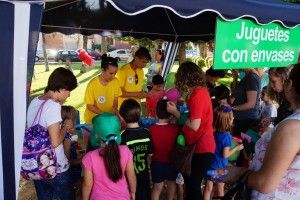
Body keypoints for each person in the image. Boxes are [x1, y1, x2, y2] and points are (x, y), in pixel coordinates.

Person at [246, 64, 300, 199]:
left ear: (289, 84)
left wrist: (236, 173)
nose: (271, 85)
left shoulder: (292, 128)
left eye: (274, 81)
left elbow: (265, 183)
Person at [166, 61, 216, 200]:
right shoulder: (198, 92)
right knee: (191, 186)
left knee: (193, 188)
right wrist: (179, 118)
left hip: (201, 148)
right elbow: (193, 118)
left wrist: (176, 113)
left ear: (185, 78)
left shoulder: (198, 94)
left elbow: (194, 125)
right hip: (197, 147)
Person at [26, 67, 77, 200]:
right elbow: (55, 142)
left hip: (38, 165)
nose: (69, 95)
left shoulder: (35, 101)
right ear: (61, 88)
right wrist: (65, 126)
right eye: (68, 91)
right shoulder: (54, 106)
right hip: (56, 167)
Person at [82, 113, 136, 200]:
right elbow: (131, 176)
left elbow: (87, 185)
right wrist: (133, 192)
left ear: (96, 135)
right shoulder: (126, 151)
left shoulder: (89, 157)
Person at [203, 105, 244, 200]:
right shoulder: (227, 137)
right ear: (228, 121)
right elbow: (225, 155)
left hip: (210, 164)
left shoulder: (213, 132)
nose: (233, 118)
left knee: (208, 188)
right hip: (219, 168)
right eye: (231, 117)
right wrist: (237, 148)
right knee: (220, 189)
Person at [119, 99, 153, 200]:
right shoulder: (147, 133)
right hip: (144, 173)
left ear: (121, 117)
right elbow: (150, 154)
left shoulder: (123, 136)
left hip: (129, 175)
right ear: (140, 114)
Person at [149, 99, 179, 200]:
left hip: (157, 163)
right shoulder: (176, 129)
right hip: (172, 163)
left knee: (157, 188)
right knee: (171, 184)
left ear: (156, 113)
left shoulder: (151, 129)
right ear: (171, 115)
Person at [84, 54, 122, 124]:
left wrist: (115, 111)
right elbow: (89, 106)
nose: (113, 76)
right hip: (93, 121)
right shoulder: (92, 84)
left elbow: (115, 99)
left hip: (108, 119)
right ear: (102, 70)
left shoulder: (116, 82)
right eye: (111, 73)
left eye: (115, 73)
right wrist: (104, 114)